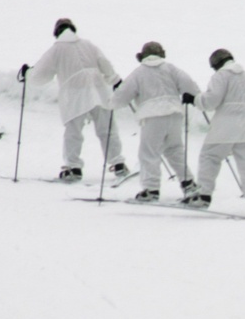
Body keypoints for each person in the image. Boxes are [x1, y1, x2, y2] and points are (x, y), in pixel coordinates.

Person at [21, 18, 127, 182]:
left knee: (74, 132)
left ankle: (73, 167)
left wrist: (27, 74)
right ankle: (118, 163)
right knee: (107, 129)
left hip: (75, 94)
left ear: (57, 33)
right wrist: (115, 80)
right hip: (99, 90)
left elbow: (40, 76)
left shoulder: (56, 50)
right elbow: (104, 63)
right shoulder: (89, 44)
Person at [182, 48, 245, 215]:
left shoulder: (220, 76)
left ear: (216, 65)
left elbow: (211, 101)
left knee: (210, 157)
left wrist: (194, 99)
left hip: (225, 128)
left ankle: (204, 196)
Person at [109, 42, 200, 202]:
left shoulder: (139, 73)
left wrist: (113, 101)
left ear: (142, 56)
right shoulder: (172, 69)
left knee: (149, 153)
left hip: (152, 117)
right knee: (175, 150)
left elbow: (122, 96)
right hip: (174, 114)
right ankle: (189, 183)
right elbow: (190, 87)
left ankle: (151, 190)